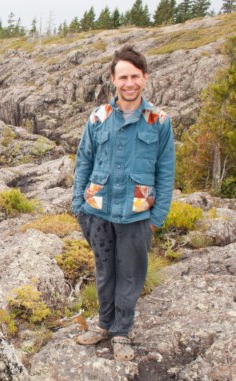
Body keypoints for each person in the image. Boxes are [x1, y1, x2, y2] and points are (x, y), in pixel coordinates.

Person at [70, 45, 175, 361]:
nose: (129, 83)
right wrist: (79, 206)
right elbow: (83, 161)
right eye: (123, 77)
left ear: (145, 78)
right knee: (105, 272)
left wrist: (158, 215)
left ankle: (121, 333)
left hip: (137, 214)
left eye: (135, 76)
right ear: (113, 80)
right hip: (98, 212)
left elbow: (165, 170)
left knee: (131, 275)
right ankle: (104, 325)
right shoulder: (98, 117)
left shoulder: (159, 121)